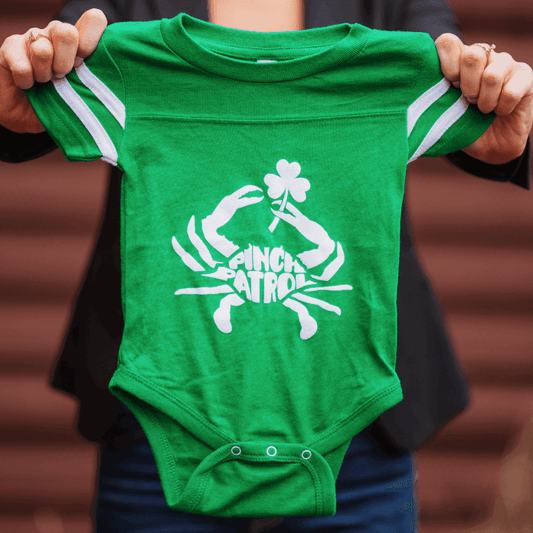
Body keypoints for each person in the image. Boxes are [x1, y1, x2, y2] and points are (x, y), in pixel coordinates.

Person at [0, 1, 531, 532]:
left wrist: (500, 106)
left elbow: (466, 84)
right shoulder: (132, 53)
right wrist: (28, 78)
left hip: (352, 405)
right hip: (168, 391)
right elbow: (39, 89)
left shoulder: (395, 50)